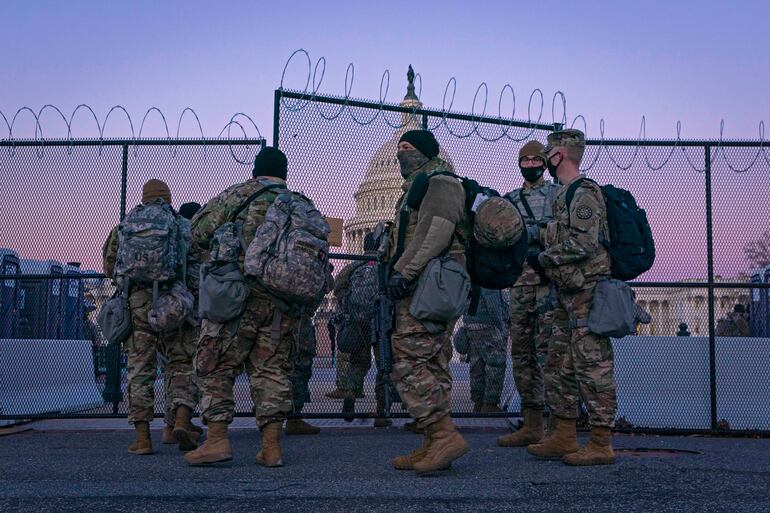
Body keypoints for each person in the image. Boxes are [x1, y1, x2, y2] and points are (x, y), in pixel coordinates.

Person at [183, 147, 302, 467]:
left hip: (234, 297)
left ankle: (218, 440)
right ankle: (271, 446)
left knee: (215, 363)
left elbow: (197, 232)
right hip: (279, 301)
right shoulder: (297, 204)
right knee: (271, 371)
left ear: (255, 171)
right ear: (285, 173)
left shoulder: (239, 194)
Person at [526, 129, 618, 466]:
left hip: (587, 292)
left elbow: (584, 243)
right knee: (558, 365)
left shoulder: (584, 193)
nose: (545, 157)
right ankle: (563, 434)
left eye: (548, 151)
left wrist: (544, 258)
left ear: (559, 155)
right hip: (566, 293)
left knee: (593, 368)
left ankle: (600, 442)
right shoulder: (564, 195)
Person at [384, 129, 470, 473]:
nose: (401, 154)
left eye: (408, 148)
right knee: (432, 362)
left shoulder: (441, 182)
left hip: (428, 284)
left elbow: (436, 231)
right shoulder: (418, 185)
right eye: (399, 148)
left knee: (407, 360)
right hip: (424, 281)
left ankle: (442, 434)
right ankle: (433, 442)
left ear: (424, 152)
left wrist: (404, 272)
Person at [102, 179, 198, 455]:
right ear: (168, 198)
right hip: (173, 302)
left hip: (137, 303)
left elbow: (110, 265)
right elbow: (196, 265)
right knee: (180, 363)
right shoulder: (181, 225)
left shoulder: (125, 226)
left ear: (143, 198)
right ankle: (180, 421)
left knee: (139, 370)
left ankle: (143, 437)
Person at [498, 140, 559, 447]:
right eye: (527, 159)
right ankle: (532, 422)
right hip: (520, 285)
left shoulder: (558, 196)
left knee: (551, 354)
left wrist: (534, 233)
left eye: (538, 159)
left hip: (549, 283)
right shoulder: (509, 200)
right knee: (521, 354)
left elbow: (565, 233)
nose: (532, 164)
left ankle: (556, 426)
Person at [332, 232, 394, 427]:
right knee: (384, 364)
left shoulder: (354, 266)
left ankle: (351, 390)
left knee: (359, 362)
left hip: (358, 320)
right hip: (380, 320)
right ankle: (382, 409)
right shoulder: (386, 267)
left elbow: (338, 288)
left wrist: (349, 306)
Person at [161, 201, 203, 447]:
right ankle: (182, 420)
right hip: (193, 310)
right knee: (190, 366)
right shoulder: (195, 237)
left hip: (168, 308)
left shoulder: (171, 234)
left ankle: (169, 427)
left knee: (172, 366)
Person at [463, 287, 509, 413]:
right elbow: (493, 306)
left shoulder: (472, 276)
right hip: (488, 325)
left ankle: (478, 404)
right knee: (496, 364)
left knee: (477, 365)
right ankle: (490, 404)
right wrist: (500, 327)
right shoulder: (488, 278)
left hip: (471, 325)